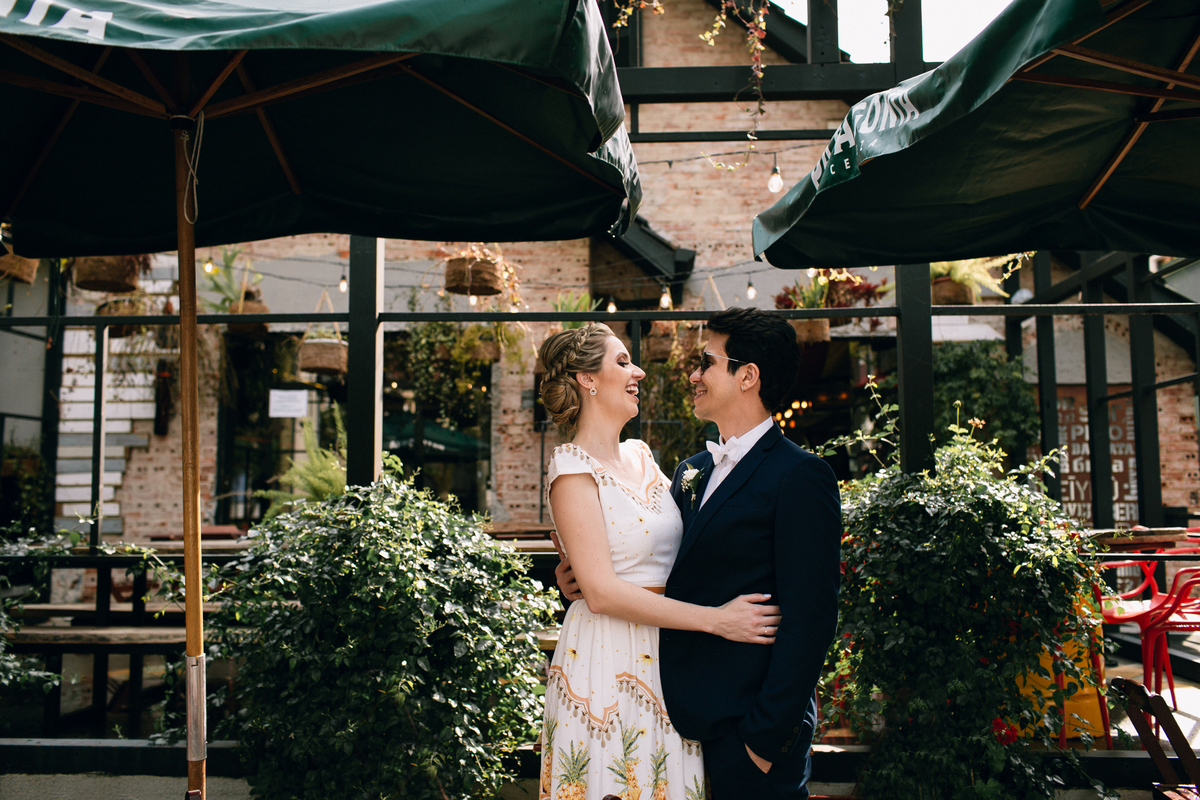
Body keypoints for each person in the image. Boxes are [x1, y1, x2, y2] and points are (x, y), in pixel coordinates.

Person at [557, 308, 842, 799]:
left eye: (706, 362)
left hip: (752, 734)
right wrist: (580, 578)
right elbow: (648, 550)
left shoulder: (801, 476)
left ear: (747, 375)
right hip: (678, 717)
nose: (693, 374)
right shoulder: (691, 473)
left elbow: (813, 617)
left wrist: (765, 738)